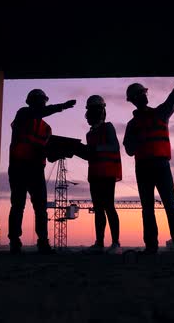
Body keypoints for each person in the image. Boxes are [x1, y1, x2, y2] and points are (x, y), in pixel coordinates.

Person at [123, 75, 174, 255]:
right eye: (139, 94)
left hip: (159, 165)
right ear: (134, 100)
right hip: (147, 167)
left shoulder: (159, 113)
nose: (142, 96)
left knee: (169, 205)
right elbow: (129, 150)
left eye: (142, 93)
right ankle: (154, 246)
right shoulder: (134, 124)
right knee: (152, 208)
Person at [8, 89, 76, 254]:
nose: (40, 104)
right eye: (38, 101)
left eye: (41, 101)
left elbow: (48, 153)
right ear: (31, 102)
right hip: (19, 166)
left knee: (40, 207)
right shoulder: (23, 114)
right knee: (18, 205)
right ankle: (15, 242)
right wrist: (62, 107)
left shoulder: (46, 128)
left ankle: (43, 242)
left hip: (36, 169)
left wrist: (61, 152)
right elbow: (38, 113)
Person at [75, 95, 122, 254]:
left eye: (90, 111)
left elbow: (114, 146)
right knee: (98, 209)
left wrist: (94, 149)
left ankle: (116, 243)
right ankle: (99, 243)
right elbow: (91, 154)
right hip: (95, 174)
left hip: (107, 173)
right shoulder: (90, 134)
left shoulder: (108, 127)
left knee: (109, 206)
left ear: (99, 111)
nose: (88, 115)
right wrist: (76, 150)